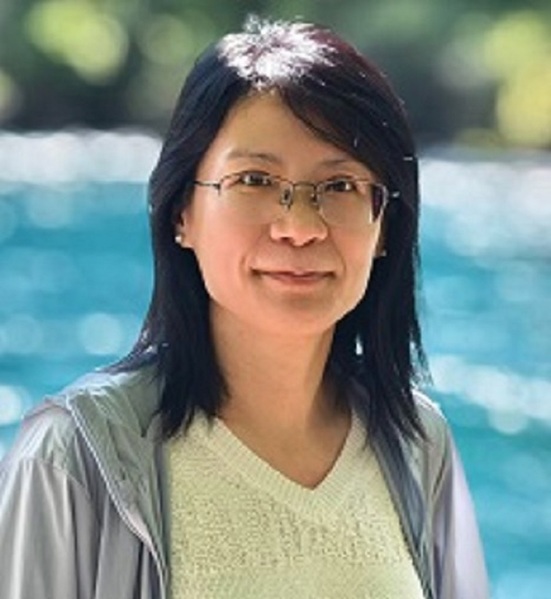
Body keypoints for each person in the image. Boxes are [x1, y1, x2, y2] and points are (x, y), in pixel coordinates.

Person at [0, 16, 489, 599]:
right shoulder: (73, 456)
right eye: (255, 180)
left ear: (384, 226)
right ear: (182, 213)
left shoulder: (418, 443)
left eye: (340, 187)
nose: (299, 227)